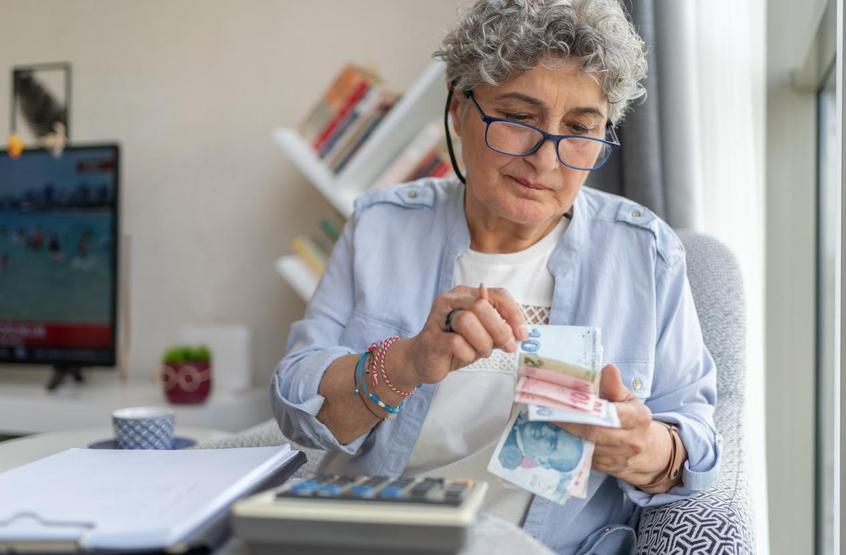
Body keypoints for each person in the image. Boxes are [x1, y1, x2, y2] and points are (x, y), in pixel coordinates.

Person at [271, 1, 719, 553]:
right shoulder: (382, 225)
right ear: (460, 110)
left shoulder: (644, 252)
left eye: (580, 129)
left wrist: (641, 447)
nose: (545, 160)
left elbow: (697, 441)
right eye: (519, 119)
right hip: (378, 535)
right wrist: (407, 362)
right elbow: (296, 405)